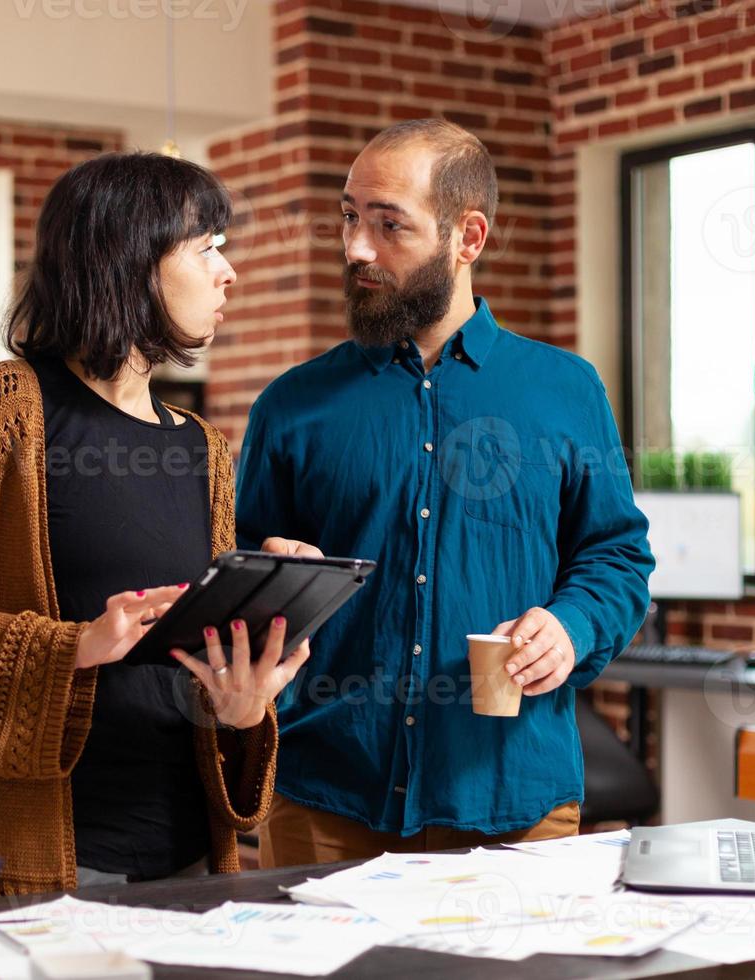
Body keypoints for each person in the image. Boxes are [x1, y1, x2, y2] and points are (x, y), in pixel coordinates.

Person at [0, 152, 308, 896]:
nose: (230, 274)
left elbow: (191, 655)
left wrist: (242, 703)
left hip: (191, 856)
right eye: (207, 248)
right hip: (42, 867)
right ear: (130, 260)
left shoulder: (204, 449)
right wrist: (72, 648)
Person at [235, 119, 655, 866]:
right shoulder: (292, 405)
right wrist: (265, 576)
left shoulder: (566, 392)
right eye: (350, 217)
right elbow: (231, 575)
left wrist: (572, 626)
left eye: (389, 224)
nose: (356, 247)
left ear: (469, 237)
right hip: (324, 801)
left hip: (514, 801)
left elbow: (615, 557)